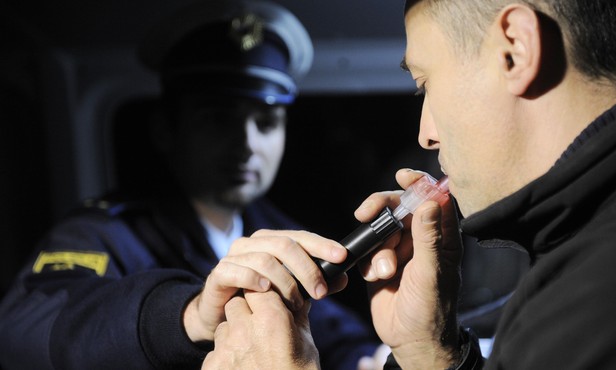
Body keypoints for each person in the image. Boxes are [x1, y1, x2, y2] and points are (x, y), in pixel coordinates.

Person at [197, 0, 616, 369]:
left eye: (424, 85)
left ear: (514, 49)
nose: (426, 133)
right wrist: (429, 355)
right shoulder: (601, 247)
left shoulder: (613, 289)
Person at [0, 0, 387, 369]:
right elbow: (22, 332)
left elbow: (328, 325)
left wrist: (363, 357)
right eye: (218, 119)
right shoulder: (106, 232)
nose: (247, 145)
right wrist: (187, 315)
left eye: (266, 123)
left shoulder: (269, 227)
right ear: (167, 130)